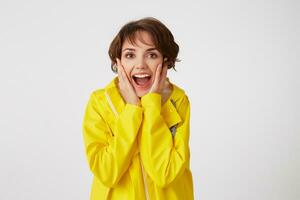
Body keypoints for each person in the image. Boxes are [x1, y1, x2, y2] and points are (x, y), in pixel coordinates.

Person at [82, 17, 194, 200]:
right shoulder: (100, 102)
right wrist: (132, 110)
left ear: (165, 62)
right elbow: (107, 172)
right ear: (118, 63)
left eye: (151, 55)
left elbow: (165, 174)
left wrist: (151, 104)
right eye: (130, 55)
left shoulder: (178, 101)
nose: (140, 65)